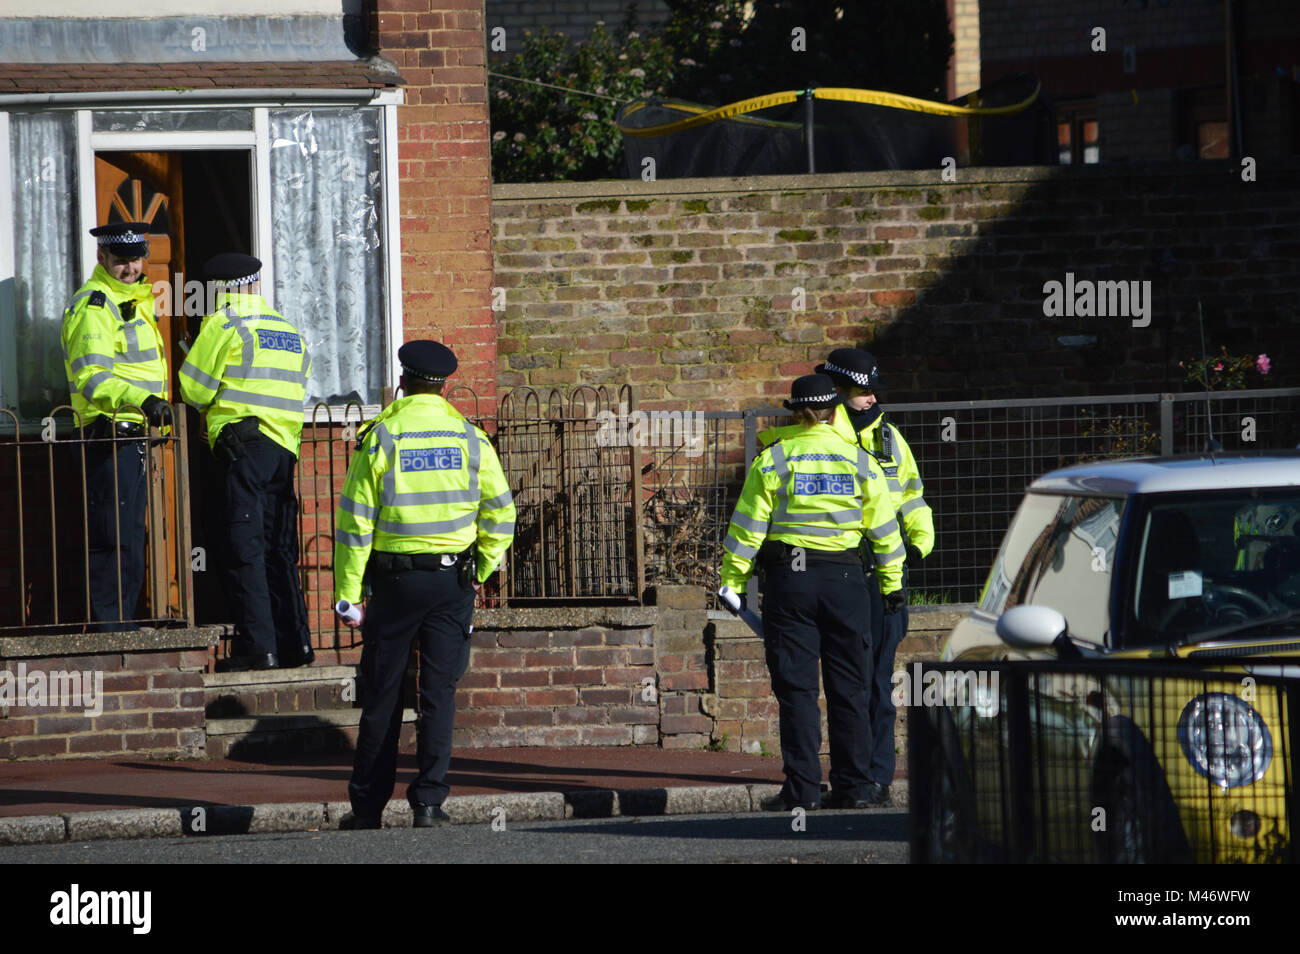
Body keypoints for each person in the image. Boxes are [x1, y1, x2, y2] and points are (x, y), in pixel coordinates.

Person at [334, 341, 515, 829]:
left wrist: (348, 596)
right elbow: (502, 515)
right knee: (438, 693)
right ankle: (429, 803)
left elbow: (355, 525)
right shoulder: (470, 439)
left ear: (403, 381)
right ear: (444, 385)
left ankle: (368, 808)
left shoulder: (383, 437)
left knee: (383, 695)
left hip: (394, 585)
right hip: (451, 581)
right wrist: (478, 573)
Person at [721, 374, 906, 812]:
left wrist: (732, 580)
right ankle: (855, 788)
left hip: (791, 582)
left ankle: (802, 790)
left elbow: (747, 529)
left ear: (796, 412)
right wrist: (892, 583)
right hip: (846, 582)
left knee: (798, 690)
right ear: (834, 410)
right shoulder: (861, 462)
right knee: (851, 688)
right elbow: (884, 529)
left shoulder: (775, 460)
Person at [178, 253, 314, 671]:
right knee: (279, 550)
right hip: (284, 452)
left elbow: (193, 390)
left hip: (244, 451)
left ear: (221, 289)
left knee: (245, 549)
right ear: (255, 283)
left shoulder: (224, 323)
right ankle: (297, 645)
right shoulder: (287, 329)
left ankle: (260, 649)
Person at [817, 347, 934, 806]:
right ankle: (855, 776)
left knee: (880, 681)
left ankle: (879, 777)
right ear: (840, 392)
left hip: (887, 573)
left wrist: (921, 538)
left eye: (872, 390)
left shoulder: (889, 438)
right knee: (851, 679)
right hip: (843, 571)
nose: (870, 398)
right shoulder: (826, 437)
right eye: (861, 390)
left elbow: (911, 494)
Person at [60, 221, 171, 629]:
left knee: (129, 536)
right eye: (121, 261)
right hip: (106, 433)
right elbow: (92, 378)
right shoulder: (95, 304)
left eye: (136, 260)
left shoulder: (134, 301)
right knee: (112, 536)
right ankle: (111, 630)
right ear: (101, 257)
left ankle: (123, 622)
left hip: (132, 436)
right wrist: (145, 401)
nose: (131, 269)